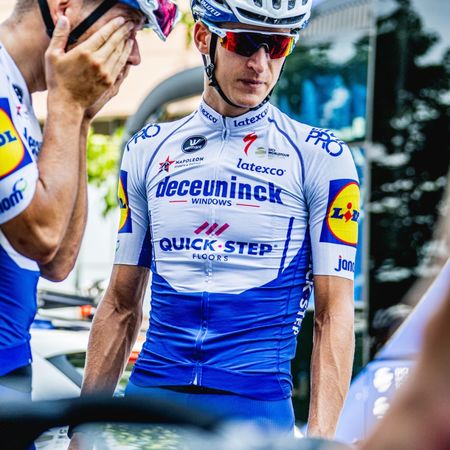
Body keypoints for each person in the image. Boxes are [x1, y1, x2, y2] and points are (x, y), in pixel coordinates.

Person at [79, 0, 359, 439]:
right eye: (244, 42)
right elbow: (119, 304)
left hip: (255, 408)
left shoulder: (321, 158)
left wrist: (320, 442)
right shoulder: (147, 149)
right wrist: (82, 431)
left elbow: (333, 314)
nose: (260, 64)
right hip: (151, 403)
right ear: (203, 38)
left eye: (278, 46)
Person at [0, 0, 178, 401]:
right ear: (64, 8)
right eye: (128, 27)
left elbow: (58, 262)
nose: (134, 55)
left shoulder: (19, 94)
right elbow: (41, 236)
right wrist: (68, 104)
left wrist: (80, 119)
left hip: (12, 365)